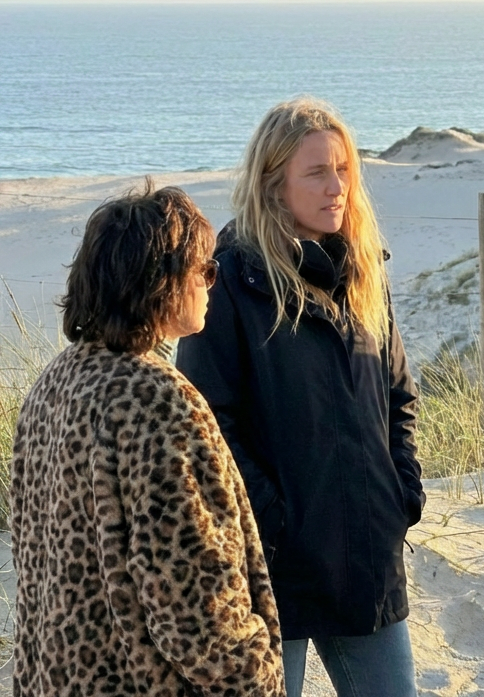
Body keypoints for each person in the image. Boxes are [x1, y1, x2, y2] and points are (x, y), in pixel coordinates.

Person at [177, 98, 423, 697]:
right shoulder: (231, 280)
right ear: (273, 182)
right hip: (271, 568)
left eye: (343, 170)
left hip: (367, 556)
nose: (336, 187)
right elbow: (208, 424)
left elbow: (397, 395)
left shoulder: (364, 271)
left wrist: (402, 493)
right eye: (317, 172)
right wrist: (276, 520)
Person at [9, 184, 285, 697]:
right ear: (161, 281)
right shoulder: (157, 402)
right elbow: (194, 602)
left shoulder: (53, 383)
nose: (212, 282)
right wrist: (258, 679)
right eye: (203, 269)